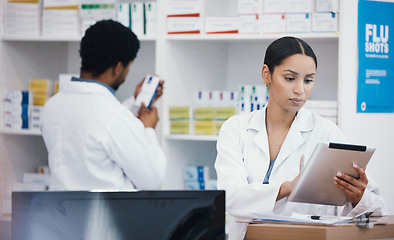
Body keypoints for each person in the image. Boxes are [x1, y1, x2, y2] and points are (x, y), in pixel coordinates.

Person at [214, 36, 387, 240]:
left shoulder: (326, 132)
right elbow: (230, 199)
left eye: (308, 80)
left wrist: (359, 197)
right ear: (266, 74)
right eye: (290, 78)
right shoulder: (236, 129)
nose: (300, 90)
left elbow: (377, 209)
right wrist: (288, 188)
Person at [41, 20, 166, 191]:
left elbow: (97, 127)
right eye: (128, 67)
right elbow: (152, 179)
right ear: (118, 67)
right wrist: (148, 129)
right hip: (109, 215)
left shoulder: (52, 106)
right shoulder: (112, 117)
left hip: (63, 214)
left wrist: (134, 103)